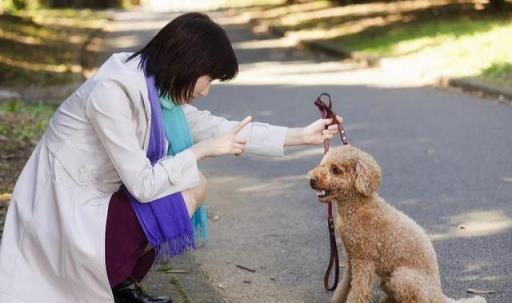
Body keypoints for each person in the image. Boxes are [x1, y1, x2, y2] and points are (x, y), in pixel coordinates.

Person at [0, 12, 340, 303]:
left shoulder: (154, 90)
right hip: (61, 224)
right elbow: (144, 185)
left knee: (192, 183)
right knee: (187, 185)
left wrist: (301, 136)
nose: (206, 90)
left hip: (92, 207)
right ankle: (117, 283)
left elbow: (217, 128)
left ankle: (121, 283)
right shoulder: (112, 92)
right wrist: (202, 151)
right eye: (208, 79)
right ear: (187, 63)